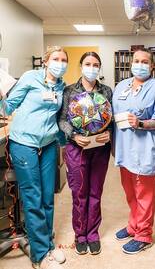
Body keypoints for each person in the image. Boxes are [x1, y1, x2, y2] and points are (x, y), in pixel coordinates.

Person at [0, 46, 68, 269]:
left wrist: (66, 142)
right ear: (46, 61)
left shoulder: (61, 86)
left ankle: (47, 245)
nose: (60, 63)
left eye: (63, 60)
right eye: (56, 59)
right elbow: (9, 107)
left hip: (48, 144)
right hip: (24, 143)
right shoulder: (31, 78)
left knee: (48, 197)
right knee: (33, 197)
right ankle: (40, 256)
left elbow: (58, 118)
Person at [112, 48, 155, 254]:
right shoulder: (122, 86)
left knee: (144, 195)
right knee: (130, 192)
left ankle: (144, 234)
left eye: (144, 61)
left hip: (145, 150)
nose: (139, 64)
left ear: (152, 66)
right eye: (136, 60)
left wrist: (141, 123)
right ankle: (134, 225)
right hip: (124, 149)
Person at [58, 52, 112, 256]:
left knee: (95, 193)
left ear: (100, 67)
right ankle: (80, 235)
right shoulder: (69, 91)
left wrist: (109, 133)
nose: (92, 67)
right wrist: (72, 135)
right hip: (77, 148)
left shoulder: (106, 91)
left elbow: (111, 119)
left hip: (100, 149)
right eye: (88, 64)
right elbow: (62, 119)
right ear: (81, 66)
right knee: (79, 193)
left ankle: (93, 234)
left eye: (96, 64)